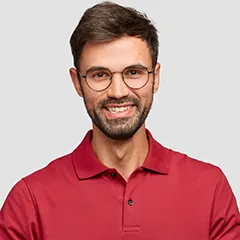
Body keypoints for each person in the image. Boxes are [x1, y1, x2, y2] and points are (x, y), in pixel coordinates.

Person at [1, 1, 240, 239]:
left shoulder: (210, 189)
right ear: (77, 82)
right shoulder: (29, 202)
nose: (117, 91)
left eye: (133, 72)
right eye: (100, 75)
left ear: (155, 78)